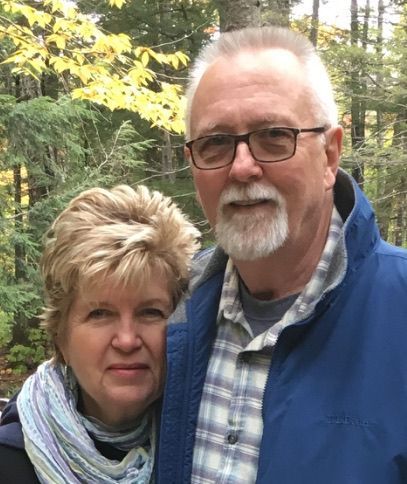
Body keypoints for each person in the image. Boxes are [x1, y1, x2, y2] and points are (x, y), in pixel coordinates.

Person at [156, 26, 407, 484]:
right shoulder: (169, 306)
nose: (242, 167)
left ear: (329, 155)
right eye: (215, 142)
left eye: (274, 135)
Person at [0, 184, 199, 483]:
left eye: (150, 312)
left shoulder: (206, 446)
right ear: (61, 337)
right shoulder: (9, 463)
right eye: (100, 314)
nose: (127, 340)